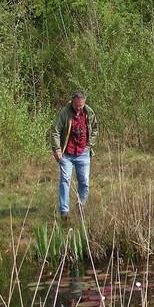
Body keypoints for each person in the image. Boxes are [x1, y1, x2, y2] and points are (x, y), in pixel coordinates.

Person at [50, 91, 99, 220]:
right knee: (65, 180)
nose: (78, 109)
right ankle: (64, 211)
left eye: (81, 106)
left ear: (84, 103)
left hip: (83, 152)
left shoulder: (89, 112)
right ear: (72, 102)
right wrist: (57, 149)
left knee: (84, 183)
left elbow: (95, 129)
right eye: (76, 106)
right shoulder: (65, 113)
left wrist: (89, 145)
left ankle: (80, 207)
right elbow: (55, 131)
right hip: (67, 153)